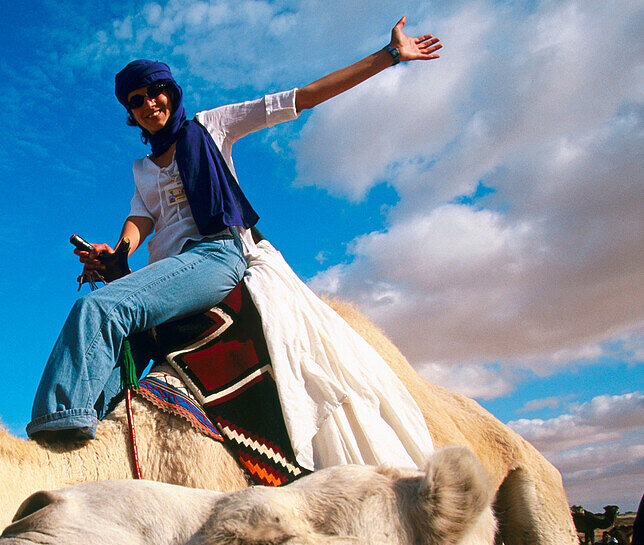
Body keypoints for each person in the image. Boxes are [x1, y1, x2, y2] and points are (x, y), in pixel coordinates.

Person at [28, 17, 441, 451]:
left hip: (214, 255)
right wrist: (117, 252)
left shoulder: (211, 126)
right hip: (169, 268)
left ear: (171, 92)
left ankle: (54, 424)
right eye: (137, 100)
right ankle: (79, 446)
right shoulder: (142, 169)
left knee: (98, 309)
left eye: (156, 91)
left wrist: (389, 56)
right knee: (114, 357)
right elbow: (142, 220)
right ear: (130, 113)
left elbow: (304, 97)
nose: (150, 104)